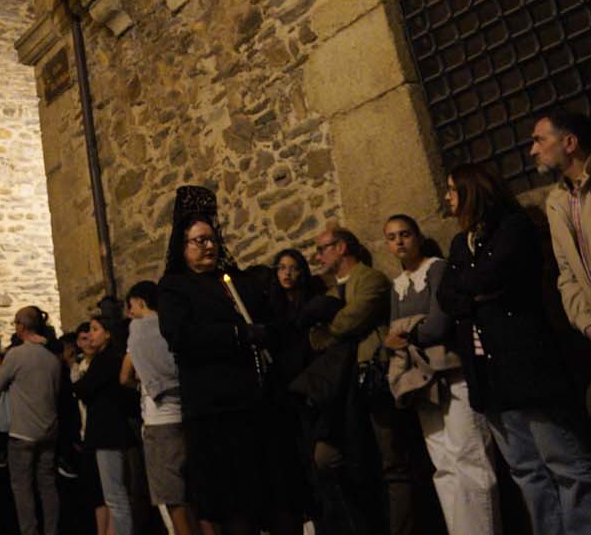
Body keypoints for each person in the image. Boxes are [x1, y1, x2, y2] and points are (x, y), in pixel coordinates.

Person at [437, 163, 591, 535]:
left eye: (452, 189)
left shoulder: (512, 228)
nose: (447, 198)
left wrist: (472, 290)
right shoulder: (457, 244)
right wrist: (476, 295)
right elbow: (447, 296)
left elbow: (489, 276)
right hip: (490, 376)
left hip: (528, 369)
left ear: (472, 191)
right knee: (526, 471)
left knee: (566, 465)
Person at [158, 185, 303, 535]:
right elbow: (182, 337)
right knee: (238, 508)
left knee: (279, 502)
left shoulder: (237, 281)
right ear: (183, 246)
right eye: (199, 241)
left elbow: (269, 322)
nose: (208, 246)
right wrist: (238, 335)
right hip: (217, 413)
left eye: (212, 239)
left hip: (259, 408)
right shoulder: (175, 287)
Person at [380, 213, 499, 535]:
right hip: (421, 382)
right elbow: (393, 332)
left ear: (417, 236)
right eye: (392, 237)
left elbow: (436, 324)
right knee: (444, 466)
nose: (399, 241)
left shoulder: (436, 269)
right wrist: (407, 329)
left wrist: (407, 331)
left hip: (452, 376)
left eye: (405, 233)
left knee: (469, 457)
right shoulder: (398, 285)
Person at [306, 225, 412, 535]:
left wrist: (331, 326)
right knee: (328, 459)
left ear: (341, 248)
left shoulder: (371, 280)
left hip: (371, 380)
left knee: (393, 465)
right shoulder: (328, 293)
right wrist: (328, 328)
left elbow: (347, 322)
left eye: (322, 248)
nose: (318, 256)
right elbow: (315, 338)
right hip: (342, 390)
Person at [532, 110, 591, 351]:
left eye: (539, 140)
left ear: (569, 142)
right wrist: (586, 322)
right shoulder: (557, 202)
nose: (533, 151)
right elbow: (567, 274)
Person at [121, 280, 193, 535]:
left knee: (172, 496)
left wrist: (144, 378)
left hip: (159, 421)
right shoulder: (174, 324)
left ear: (140, 301)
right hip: (188, 414)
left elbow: (125, 376)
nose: (130, 313)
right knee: (197, 491)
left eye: (131, 306)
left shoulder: (139, 330)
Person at [0, 306, 63, 535]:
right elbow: (57, 392)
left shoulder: (16, 355)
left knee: (23, 489)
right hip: (49, 431)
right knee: (48, 487)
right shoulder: (52, 359)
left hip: (22, 433)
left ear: (21, 326)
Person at [74, 314, 135, 535]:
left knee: (115, 496)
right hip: (109, 431)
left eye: (95, 329)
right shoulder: (108, 358)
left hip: (107, 432)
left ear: (108, 334)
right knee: (114, 495)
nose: (90, 335)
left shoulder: (106, 359)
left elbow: (83, 388)